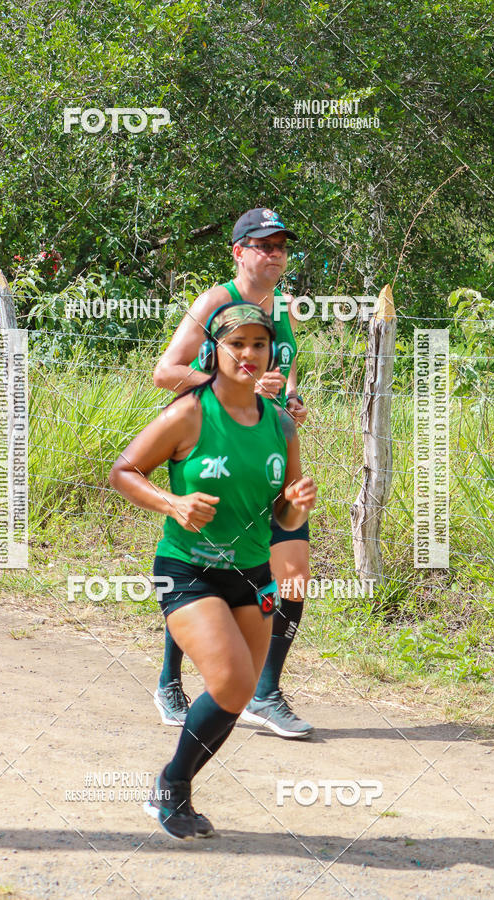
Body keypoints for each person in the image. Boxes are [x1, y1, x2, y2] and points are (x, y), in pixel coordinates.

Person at [109, 302, 316, 839]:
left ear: (272, 352)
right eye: (236, 344)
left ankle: (172, 790)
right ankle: (171, 788)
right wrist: (171, 503)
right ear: (215, 351)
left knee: (239, 693)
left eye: (259, 345)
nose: (248, 355)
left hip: (252, 573)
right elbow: (124, 471)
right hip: (186, 569)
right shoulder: (189, 413)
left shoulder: (280, 424)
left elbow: (283, 514)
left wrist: (297, 504)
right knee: (230, 679)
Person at [152, 207, 313, 738]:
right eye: (262, 245)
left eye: (280, 246)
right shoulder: (216, 301)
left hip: (267, 451)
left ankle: (264, 693)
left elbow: (281, 375)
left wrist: (290, 398)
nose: (273, 254)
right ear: (238, 252)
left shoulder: (283, 306)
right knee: (210, 572)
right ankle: (170, 682)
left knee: (291, 579)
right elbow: (165, 372)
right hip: (212, 445)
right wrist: (233, 384)